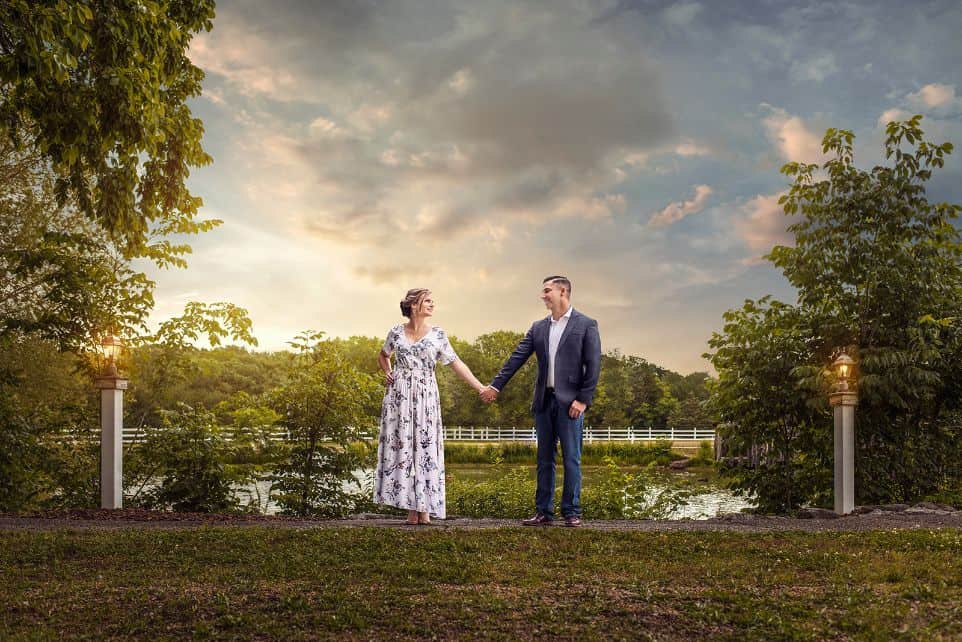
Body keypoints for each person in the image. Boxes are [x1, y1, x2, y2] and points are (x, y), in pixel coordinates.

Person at [480, 276, 601, 527]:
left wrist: (583, 400)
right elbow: (516, 358)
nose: (543, 295)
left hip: (571, 404)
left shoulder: (586, 324)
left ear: (563, 291)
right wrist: (495, 386)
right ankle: (544, 512)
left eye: (547, 291)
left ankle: (571, 512)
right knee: (544, 459)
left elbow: (594, 366)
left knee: (571, 458)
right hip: (544, 402)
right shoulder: (538, 327)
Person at [374, 288, 487, 525]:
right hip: (399, 396)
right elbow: (383, 355)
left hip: (426, 397)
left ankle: (424, 508)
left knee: (425, 450)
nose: (432, 304)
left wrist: (479, 388)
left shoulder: (438, 335)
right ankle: (411, 509)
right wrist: (388, 372)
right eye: (427, 301)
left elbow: (457, 363)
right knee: (403, 448)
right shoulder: (396, 332)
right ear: (414, 306)